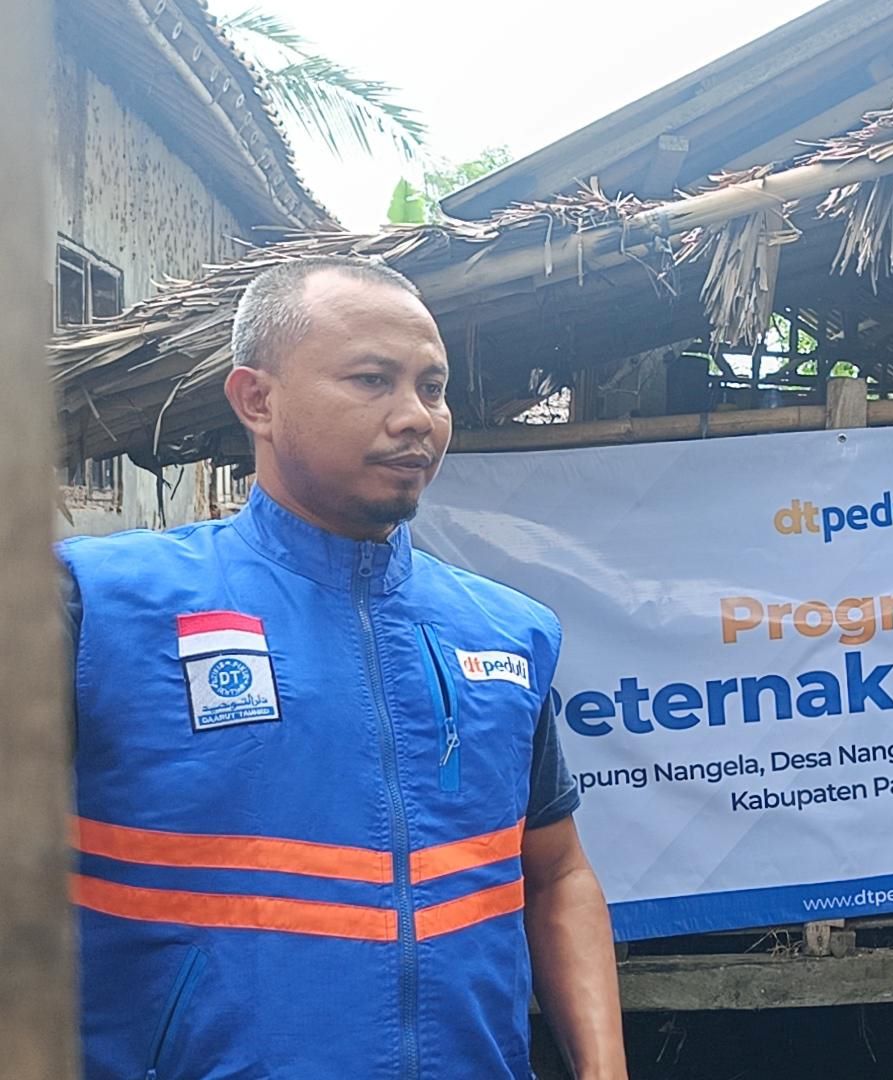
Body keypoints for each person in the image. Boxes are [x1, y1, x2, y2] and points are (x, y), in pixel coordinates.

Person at [58, 257, 627, 1079]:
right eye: (372, 380)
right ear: (256, 400)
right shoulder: (101, 607)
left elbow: (558, 874)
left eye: (433, 387)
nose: (417, 417)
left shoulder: (508, 632)